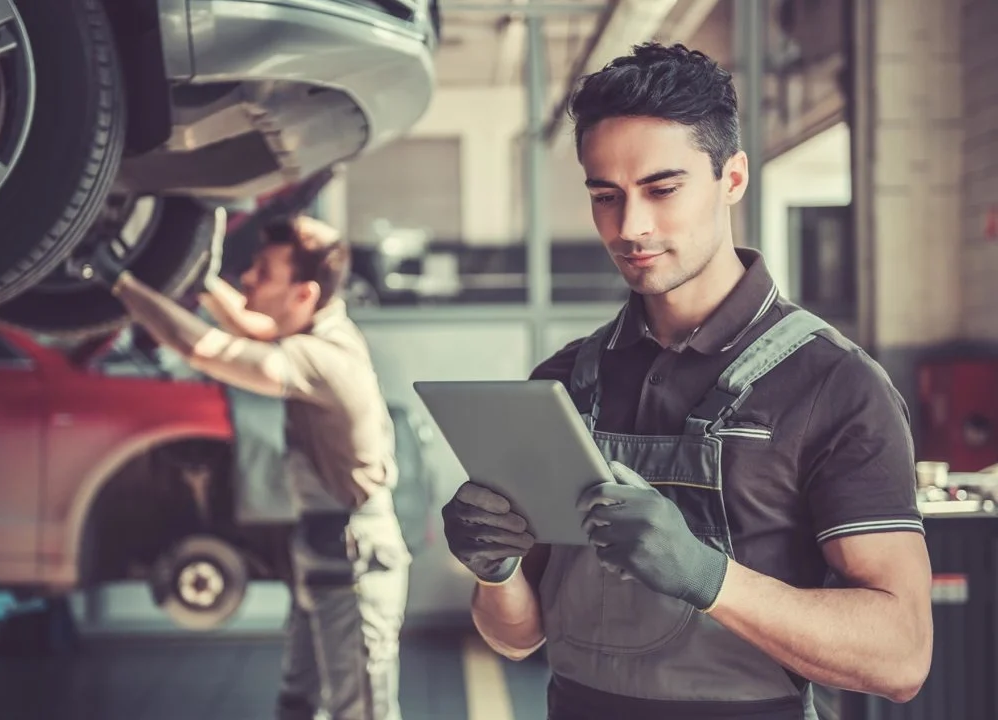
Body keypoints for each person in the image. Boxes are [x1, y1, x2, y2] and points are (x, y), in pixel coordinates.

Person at [441, 42, 933, 720]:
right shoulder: (562, 385)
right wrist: (491, 569)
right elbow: (518, 637)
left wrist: (708, 576)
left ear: (732, 178)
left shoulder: (835, 385)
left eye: (662, 189)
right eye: (605, 195)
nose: (630, 226)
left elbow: (902, 657)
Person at [89, 211, 410, 720]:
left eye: (262, 272)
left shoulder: (320, 357)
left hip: (353, 560)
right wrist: (202, 282)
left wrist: (119, 282)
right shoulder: (320, 320)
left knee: (361, 713)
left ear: (303, 294)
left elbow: (206, 348)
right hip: (322, 552)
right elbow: (251, 323)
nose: (248, 280)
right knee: (297, 704)